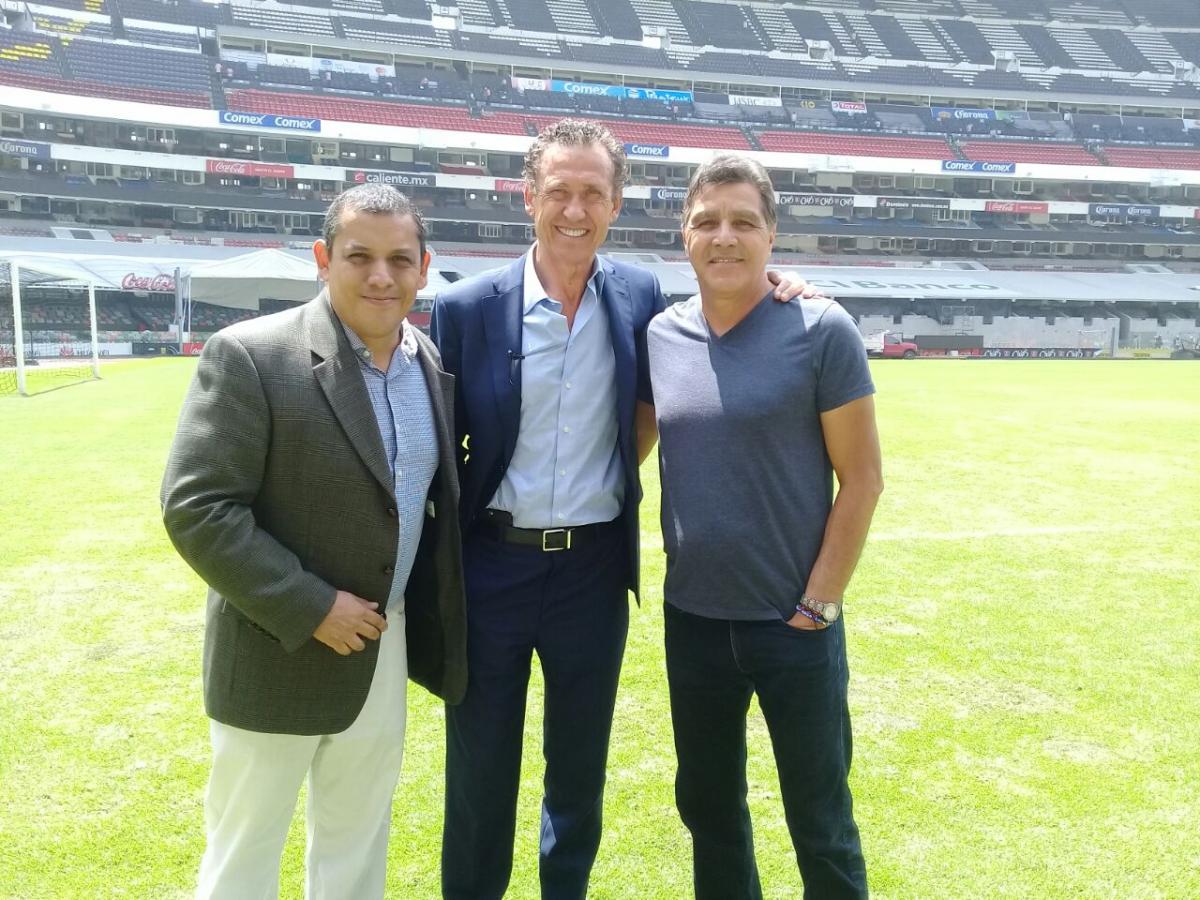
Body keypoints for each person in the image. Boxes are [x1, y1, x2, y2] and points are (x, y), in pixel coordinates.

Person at [431, 120, 815, 899]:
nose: (575, 209)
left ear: (616, 204)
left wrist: (786, 287)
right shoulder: (467, 309)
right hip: (491, 570)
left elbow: (679, 368)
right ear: (529, 196)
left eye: (594, 194)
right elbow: (441, 449)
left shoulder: (639, 294)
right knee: (481, 772)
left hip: (592, 572)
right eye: (560, 192)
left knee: (579, 771)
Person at [161, 183, 466, 899]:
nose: (381, 276)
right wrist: (311, 606)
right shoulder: (252, 355)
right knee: (243, 856)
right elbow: (197, 507)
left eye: (400, 259)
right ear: (324, 259)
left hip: (382, 653)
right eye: (360, 256)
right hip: (278, 651)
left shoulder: (427, 360)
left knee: (357, 849)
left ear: (425, 267)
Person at [647, 154, 883, 900]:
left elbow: (864, 479)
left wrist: (820, 601)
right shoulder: (657, 335)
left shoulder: (820, 329)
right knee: (711, 813)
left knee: (820, 818)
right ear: (683, 234)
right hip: (694, 623)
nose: (725, 237)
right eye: (707, 221)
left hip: (795, 626)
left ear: (771, 235)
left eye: (743, 221)